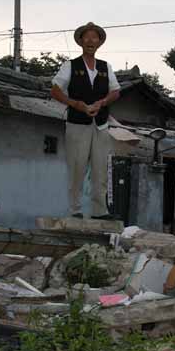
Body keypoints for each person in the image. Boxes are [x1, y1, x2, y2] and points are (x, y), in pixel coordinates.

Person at [51, 22, 121, 220]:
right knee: (77, 166)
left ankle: (100, 211)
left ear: (99, 42)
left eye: (94, 37)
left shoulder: (105, 66)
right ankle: (75, 209)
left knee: (100, 168)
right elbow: (55, 90)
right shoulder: (70, 66)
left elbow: (116, 91)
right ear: (81, 41)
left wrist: (103, 102)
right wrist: (75, 104)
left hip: (100, 123)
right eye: (87, 37)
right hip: (77, 122)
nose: (91, 40)